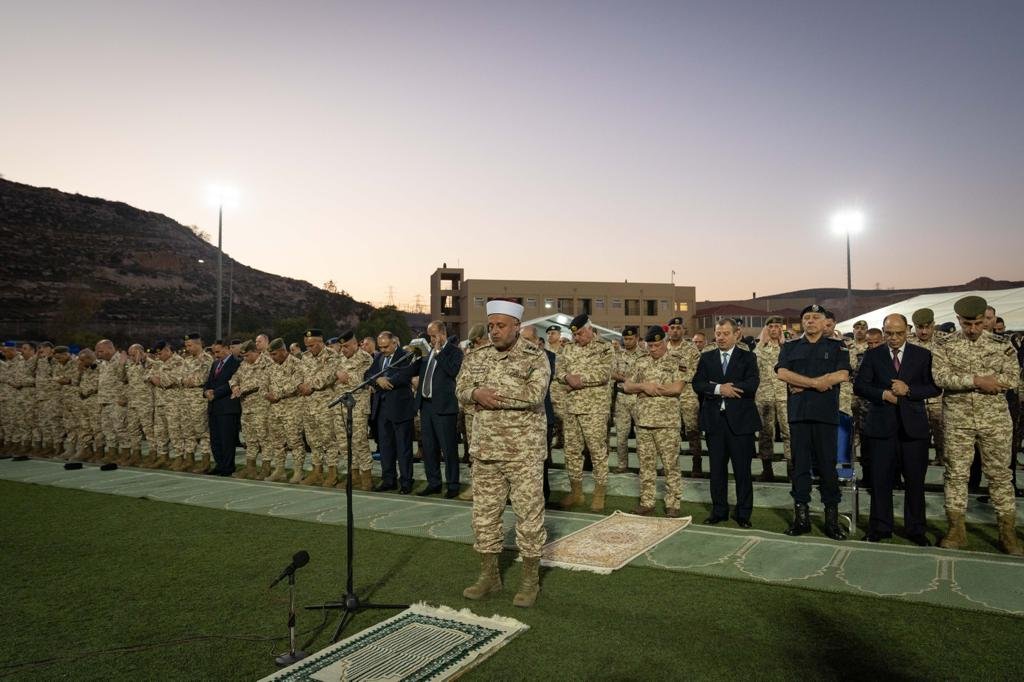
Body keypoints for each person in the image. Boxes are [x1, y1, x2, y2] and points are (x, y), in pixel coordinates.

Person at [457, 299, 549, 608]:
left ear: (516, 328)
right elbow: (460, 389)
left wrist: (488, 395)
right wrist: (473, 393)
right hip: (486, 451)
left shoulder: (536, 357)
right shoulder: (477, 355)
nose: (494, 332)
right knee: (484, 518)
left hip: (523, 453)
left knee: (529, 520)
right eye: (491, 326)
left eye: (501, 326)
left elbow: (534, 395)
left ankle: (529, 581)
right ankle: (489, 577)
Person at [931, 296, 1021, 555]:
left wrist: (991, 381)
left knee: (1001, 476)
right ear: (958, 320)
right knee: (956, 475)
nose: (973, 329)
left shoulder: (1002, 346)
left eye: (978, 323)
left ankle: (1008, 535)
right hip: (958, 421)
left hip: (995, 421)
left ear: (986, 319)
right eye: (967, 323)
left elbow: (1012, 378)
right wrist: (978, 380)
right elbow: (940, 377)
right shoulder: (945, 345)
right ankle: (956, 531)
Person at [854, 314, 940, 545]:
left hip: (914, 429)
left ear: (908, 330)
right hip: (881, 427)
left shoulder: (923, 355)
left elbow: (933, 387)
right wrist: (883, 394)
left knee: (915, 481)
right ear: (883, 331)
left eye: (898, 333)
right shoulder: (872, 355)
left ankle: (916, 529)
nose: (893, 338)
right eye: (889, 333)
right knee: (880, 480)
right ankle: (880, 527)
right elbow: (860, 385)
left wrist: (909, 390)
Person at [776, 304, 852, 540]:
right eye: (806, 317)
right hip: (799, 415)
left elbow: (843, 374)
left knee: (827, 467)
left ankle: (831, 520)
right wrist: (816, 383)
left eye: (815, 317)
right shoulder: (789, 347)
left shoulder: (836, 346)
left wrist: (805, 383)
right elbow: (782, 373)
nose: (810, 321)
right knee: (799, 467)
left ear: (824, 322)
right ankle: (802, 519)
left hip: (825, 415)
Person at [693, 319, 761, 527]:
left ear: (736, 334)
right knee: (717, 471)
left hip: (741, 424)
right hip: (714, 423)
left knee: (742, 471)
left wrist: (729, 389)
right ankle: (719, 511)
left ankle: (743, 513)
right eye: (718, 333)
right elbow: (698, 383)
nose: (720, 337)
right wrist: (718, 389)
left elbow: (752, 383)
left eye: (725, 333)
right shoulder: (706, 357)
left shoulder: (748, 357)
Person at [623, 326, 685, 516]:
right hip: (643, 422)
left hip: (667, 423)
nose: (653, 349)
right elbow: (627, 386)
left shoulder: (676, 361)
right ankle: (647, 502)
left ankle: (672, 504)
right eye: (650, 346)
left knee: (670, 465)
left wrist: (653, 390)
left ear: (665, 343)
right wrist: (643, 386)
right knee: (646, 465)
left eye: (658, 345)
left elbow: (678, 388)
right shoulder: (640, 361)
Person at [555, 313, 613, 511]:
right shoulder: (568, 349)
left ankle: (599, 494)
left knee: (597, 452)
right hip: (571, 408)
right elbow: (559, 370)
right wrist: (566, 377)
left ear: (589, 329)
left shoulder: (604, 347)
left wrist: (576, 380)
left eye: (580, 334)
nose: (576, 338)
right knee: (571, 451)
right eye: (575, 335)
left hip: (594, 409)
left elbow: (603, 374)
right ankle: (576, 493)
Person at [415, 320, 464, 497]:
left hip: (444, 408)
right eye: (429, 336)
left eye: (434, 335)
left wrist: (438, 353)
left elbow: (453, 371)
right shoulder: (428, 354)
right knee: (429, 448)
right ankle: (433, 482)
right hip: (426, 406)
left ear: (443, 334)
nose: (431, 339)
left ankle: (452, 485)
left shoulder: (454, 352)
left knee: (448, 448)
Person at [366, 331, 419, 493]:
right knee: (386, 448)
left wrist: (385, 381)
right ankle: (388, 480)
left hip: (401, 409)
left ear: (394, 343)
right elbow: (368, 374)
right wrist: (377, 379)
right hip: (382, 411)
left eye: (386, 346)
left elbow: (405, 375)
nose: (383, 350)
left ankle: (406, 482)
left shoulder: (406, 356)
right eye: (380, 347)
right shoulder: (379, 357)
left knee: (403, 448)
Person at [297, 329, 341, 486]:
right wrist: (299, 384)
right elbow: (297, 375)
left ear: (321, 342)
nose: (309, 348)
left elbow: (329, 375)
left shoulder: (331, 355)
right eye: (307, 346)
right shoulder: (305, 357)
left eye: (312, 345)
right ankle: (317, 472)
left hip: (325, 405)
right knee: (312, 440)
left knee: (328, 440)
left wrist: (311, 386)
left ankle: (332, 473)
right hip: (307, 405)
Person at [333, 330, 376, 490]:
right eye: (342, 346)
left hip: (357, 407)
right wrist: (336, 373)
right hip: (340, 406)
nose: (343, 349)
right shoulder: (339, 358)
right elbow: (331, 375)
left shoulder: (366, 358)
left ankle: (367, 478)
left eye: (347, 346)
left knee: (359, 442)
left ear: (355, 344)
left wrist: (346, 377)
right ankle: (354, 476)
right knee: (344, 444)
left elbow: (366, 379)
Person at [263, 337, 306, 483]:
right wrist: (266, 394)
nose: (272, 357)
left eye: (274, 354)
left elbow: (296, 384)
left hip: (292, 408)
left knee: (295, 442)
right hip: (274, 410)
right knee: (277, 442)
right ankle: (279, 470)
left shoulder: (296, 364)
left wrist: (277, 394)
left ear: (283, 351)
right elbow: (263, 384)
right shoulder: (271, 366)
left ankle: (298, 471)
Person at [754, 316, 790, 481]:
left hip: (784, 395)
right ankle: (767, 469)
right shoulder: (759, 349)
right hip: (764, 395)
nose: (774, 329)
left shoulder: (788, 348)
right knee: (765, 433)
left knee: (788, 432)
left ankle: (792, 468)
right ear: (766, 329)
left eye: (777, 326)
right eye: (771, 327)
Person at [908, 308, 945, 465]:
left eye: (927, 327)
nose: (923, 332)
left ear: (934, 325)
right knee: (916, 434)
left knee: (942, 433)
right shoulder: (908, 342)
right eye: (919, 328)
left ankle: (942, 458)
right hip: (916, 397)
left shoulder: (945, 341)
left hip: (939, 397)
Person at [666, 317, 704, 474]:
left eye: (678, 327)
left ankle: (697, 463)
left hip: (687, 393)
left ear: (684, 330)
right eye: (672, 327)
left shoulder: (691, 349)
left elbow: (696, 370)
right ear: (668, 330)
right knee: (669, 431)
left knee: (692, 430)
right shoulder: (662, 348)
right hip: (667, 395)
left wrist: (681, 381)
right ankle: (670, 465)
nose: (675, 330)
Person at [230, 340, 272, 479]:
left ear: (255, 352)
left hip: (261, 406)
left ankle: (266, 468)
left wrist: (243, 389)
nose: (245, 359)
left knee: (264, 439)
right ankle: (250, 468)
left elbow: (262, 382)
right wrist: (234, 386)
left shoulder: (267, 362)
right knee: (250, 439)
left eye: (247, 355)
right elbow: (234, 377)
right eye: (244, 356)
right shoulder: (244, 364)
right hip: (246, 407)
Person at [203, 339, 241, 476]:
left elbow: (233, 383)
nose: (216, 355)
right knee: (216, 440)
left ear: (227, 348)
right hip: (214, 407)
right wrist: (206, 391)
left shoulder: (236, 363)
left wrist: (215, 393)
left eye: (218, 351)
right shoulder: (215, 364)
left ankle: (228, 467)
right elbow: (209, 382)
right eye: (214, 352)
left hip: (227, 408)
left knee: (227, 440)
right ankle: (219, 465)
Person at [610, 326, 643, 473]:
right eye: (625, 339)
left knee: (642, 435)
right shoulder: (618, 355)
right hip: (622, 397)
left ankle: (644, 465)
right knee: (621, 434)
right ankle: (622, 465)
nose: (628, 341)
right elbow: (612, 373)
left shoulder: (644, 355)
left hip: (638, 397)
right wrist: (626, 379)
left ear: (637, 338)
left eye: (630, 338)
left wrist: (633, 383)